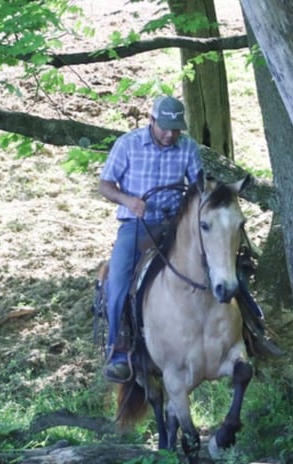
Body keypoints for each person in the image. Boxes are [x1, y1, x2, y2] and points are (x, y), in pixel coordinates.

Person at [98, 95, 203, 382]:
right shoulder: (128, 144)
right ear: (152, 120)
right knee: (118, 280)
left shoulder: (189, 148)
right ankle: (118, 351)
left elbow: (198, 188)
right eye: (165, 127)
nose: (171, 134)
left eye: (176, 129)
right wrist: (128, 200)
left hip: (176, 224)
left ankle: (249, 327)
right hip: (137, 225)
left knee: (218, 259)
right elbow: (105, 185)